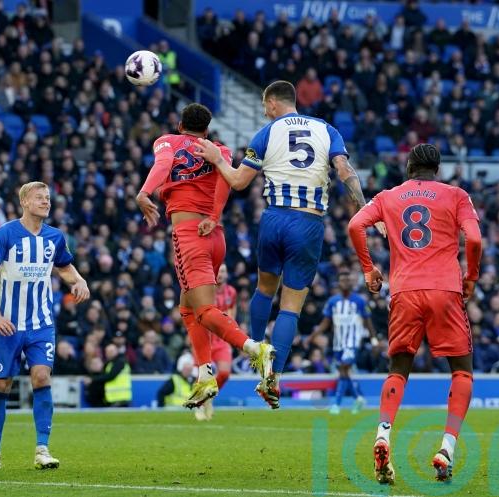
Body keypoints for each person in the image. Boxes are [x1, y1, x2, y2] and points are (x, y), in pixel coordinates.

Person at [195, 80, 384, 409]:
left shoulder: (266, 133)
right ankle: (274, 377)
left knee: (264, 289)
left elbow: (238, 181)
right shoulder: (327, 130)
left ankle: (257, 354)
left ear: (271, 102)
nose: (263, 111)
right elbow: (344, 169)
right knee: (291, 306)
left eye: (264, 105)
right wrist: (366, 206)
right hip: (308, 222)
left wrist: (217, 158)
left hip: (273, 219)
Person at [347, 143, 482, 484]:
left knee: (398, 369)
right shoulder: (456, 195)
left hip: (405, 290)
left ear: (408, 167)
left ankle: (382, 435)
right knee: (462, 372)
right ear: (437, 169)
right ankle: (446, 449)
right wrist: (471, 277)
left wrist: (368, 270)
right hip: (445, 289)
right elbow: (476, 240)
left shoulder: (389, 196)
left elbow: (354, 226)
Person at [137, 103, 273, 409]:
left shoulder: (168, 141)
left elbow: (162, 165)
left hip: (189, 235)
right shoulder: (219, 149)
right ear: (206, 128)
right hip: (214, 235)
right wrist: (214, 214)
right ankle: (205, 375)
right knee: (188, 308)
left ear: (180, 124)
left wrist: (144, 192)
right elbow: (225, 180)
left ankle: (255, 349)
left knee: (203, 309)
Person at [0, 181, 91, 472]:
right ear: (25, 202)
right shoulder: (5, 233)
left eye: (48, 198)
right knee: (0, 386)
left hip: (41, 323)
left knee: (41, 377)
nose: (46, 201)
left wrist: (78, 280)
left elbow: (64, 266)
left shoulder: (55, 237)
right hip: (7, 325)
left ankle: (42, 449)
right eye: (39, 197)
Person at [308, 269, 375, 415]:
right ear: (338, 283)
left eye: (347, 280)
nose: (345, 282)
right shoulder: (333, 302)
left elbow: (367, 321)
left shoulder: (359, 301)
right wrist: (313, 335)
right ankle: (358, 398)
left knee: (344, 368)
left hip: (353, 342)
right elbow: (326, 322)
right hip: (338, 343)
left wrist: (373, 339)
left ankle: (336, 404)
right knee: (344, 372)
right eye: (342, 280)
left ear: (351, 283)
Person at [195, 264, 238, 421]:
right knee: (203, 374)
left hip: (221, 339)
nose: (220, 274)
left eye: (224, 271)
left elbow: (232, 315)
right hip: (205, 337)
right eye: (218, 271)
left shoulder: (231, 292)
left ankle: (208, 397)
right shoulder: (204, 290)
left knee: (225, 373)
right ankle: (199, 404)